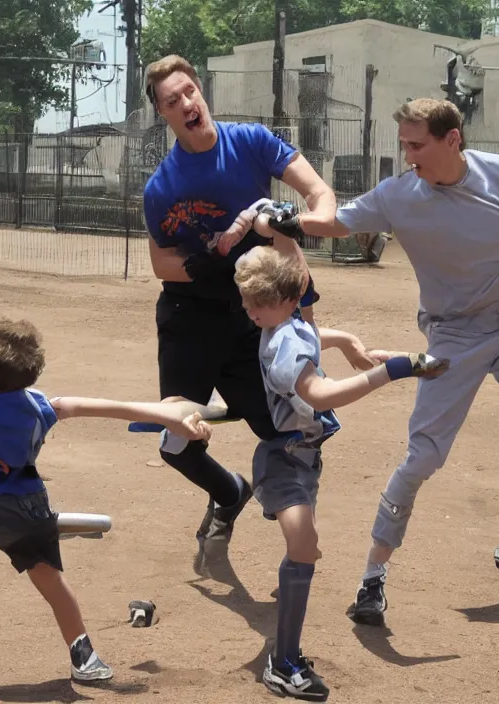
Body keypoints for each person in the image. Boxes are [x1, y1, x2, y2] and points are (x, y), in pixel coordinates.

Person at [278, 98, 499, 625]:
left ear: (452, 139)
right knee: (423, 457)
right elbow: (336, 223)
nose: (407, 155)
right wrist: (287, 221)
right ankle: (372, 576)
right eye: (404, 144)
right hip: (455, 336)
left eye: (417, 145)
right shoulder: (398, 195)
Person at [0, 317, 215, 689]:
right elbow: (114, 407)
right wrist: (172, 419)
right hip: (31, 508)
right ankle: (85, 657)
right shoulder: (39, 404)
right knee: (50, 579)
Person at [141, 54, 371, 549]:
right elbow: (162, 264)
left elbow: (320, 195)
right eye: (171, 101)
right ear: (162, 113)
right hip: (190, 318)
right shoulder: (161, 186)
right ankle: (230, 492)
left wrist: (289, 230)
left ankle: (288, 494)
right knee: (177, 444)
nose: (185, 104)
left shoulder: (251, 141)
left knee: (286, 428)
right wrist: (213, 265)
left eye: (188, 92)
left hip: (254, 317)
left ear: (201, 91)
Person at [232, 246, 449, 700]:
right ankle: (284, 662)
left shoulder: (291, 326)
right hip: (281, 460)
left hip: (305, 461)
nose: (248, 310)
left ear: (289, 300)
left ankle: (285, 649)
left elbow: (312, 332)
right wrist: (392, 371)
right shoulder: (279, 337)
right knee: (303, 545)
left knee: (304, 550)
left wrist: (348, 341)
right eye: (247, 301)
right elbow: (321, 395)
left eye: (257, 301)